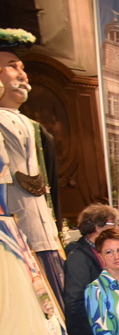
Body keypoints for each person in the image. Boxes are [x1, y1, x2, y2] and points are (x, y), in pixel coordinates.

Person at [0, 42, 64, 306]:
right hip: (13, 241)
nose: (22, 74)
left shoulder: (36, 128)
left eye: (23, 68)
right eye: (12, 66)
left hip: (44, 234)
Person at [64, 203, 119, 335]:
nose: (117, 229)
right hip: (94, 330)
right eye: (112, 224)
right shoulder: (78, 256)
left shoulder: (97, 251)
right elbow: (75, 300)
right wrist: (96, 333)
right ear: (97, 227)